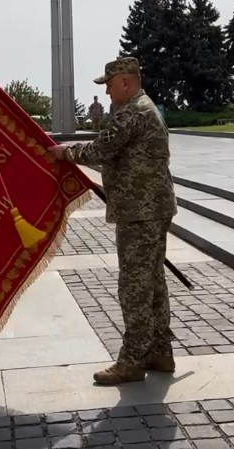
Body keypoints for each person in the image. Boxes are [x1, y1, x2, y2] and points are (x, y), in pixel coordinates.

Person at [48, 57, 177, 386]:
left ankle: (133, 360)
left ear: (125, 81)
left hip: (141, 211)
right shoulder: (142, 108)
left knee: (134, 287)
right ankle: (160, 351)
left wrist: (66, 153)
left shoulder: (134, 111)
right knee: (153, 283)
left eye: (108, 83)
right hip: (149, 208)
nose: (105, 91)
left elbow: (101, 148)